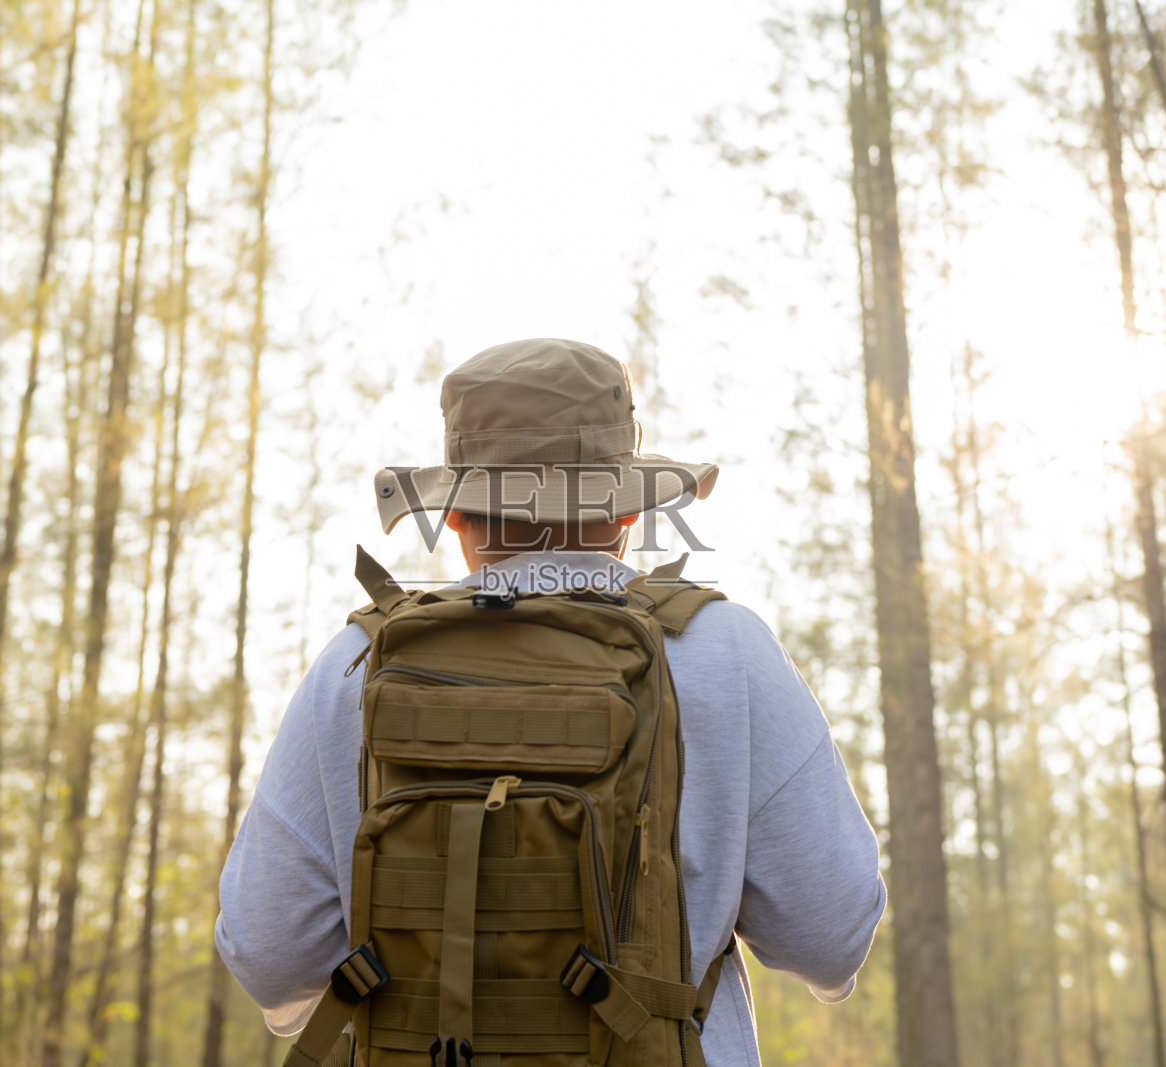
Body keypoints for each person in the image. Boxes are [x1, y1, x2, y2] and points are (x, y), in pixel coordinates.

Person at [215, 337, 886, 1066]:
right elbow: (829, 936)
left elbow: (270, 956)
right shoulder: (725, 651)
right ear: (627, 510)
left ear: (460, 517)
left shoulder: (354, 665)